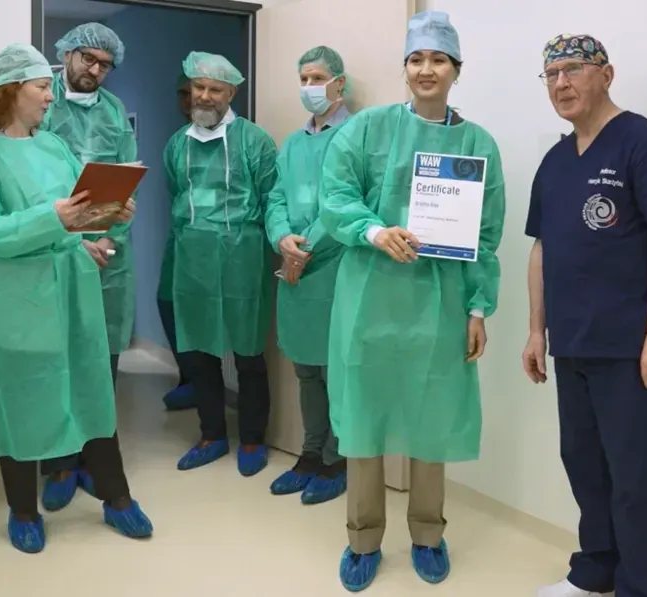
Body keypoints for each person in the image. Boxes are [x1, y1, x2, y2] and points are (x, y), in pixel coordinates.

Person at [0, 44, 153, 554]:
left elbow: (75, 214)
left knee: (92, 391)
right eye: (40, 87)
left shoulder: (53, 146)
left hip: (72, 289)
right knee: (21, 401)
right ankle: (23, 510)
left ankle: (117, 497)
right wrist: (52, 219)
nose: (50, 96)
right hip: (12, 297)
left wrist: (105, 220)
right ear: (9, 91)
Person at [320, 11, 506, 592]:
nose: (427, 69)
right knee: (364, 422)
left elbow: (485, 236)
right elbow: (336, 196)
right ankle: (362, 539)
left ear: (456, 70)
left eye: (439, 60)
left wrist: (477, 308)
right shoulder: (368, 129)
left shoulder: (476, 144)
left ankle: (428, 534)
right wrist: (375, 231)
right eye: (417, 59)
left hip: (440, 304)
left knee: (432, 419)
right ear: (405, 68)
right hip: (369, 300)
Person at [523, 35, 647, 597]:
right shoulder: (555, 161)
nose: (561, 83)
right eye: (551, 74)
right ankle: (595, 570)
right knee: (584, 464)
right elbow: (542, 248)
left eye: (573, 69)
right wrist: (536, 329)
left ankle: (642, 587)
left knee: (635, 478)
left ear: (607, 74)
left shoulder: (645, 144)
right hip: (571, 343)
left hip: (628, 347)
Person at [36, 22, 136, 513]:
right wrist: (73, 243)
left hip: (106, 254)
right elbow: (32, 183)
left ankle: (96, 461)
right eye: (88, 59)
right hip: (52, 248)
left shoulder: (115, 112)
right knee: (57, 358)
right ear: (67, 55)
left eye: (105, 65)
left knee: (101, 361)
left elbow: (123, 180)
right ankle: (60, 462)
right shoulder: (40, 103)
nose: (95, 70)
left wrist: (106, 239)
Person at [162, 51, 277, 476]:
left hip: (243, 255)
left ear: (231, 93)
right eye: (199, 87)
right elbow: (176, 193)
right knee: (199, 352)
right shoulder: (178, 144)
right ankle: (211, 435)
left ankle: (252, 438)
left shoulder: (254, 141)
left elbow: (271, 198)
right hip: (192, 258)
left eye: (215, 89)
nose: (205, 96)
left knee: (248, 353)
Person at [265, 46, 352, 505]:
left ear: (340, 83)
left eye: (317, 78)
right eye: (303, 79)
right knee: (305, 371)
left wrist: (309, 248)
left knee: (334, 370)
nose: (309, 87)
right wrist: (283, 237)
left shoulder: (355, 136)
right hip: (295, 265)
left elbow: (346, 204)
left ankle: (337, 459)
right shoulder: (293, 143)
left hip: (334, 268)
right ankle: (310, 452)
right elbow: (276, 197)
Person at [158, 71, 197, 413]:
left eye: (194, 91)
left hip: (226, 246)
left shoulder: (243, 140)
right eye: (182, 93)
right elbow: (176, 192)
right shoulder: (176, 143)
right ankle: (189, 378)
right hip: (181, 238)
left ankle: (201, 383)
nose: (190, 100)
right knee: (167, 301)